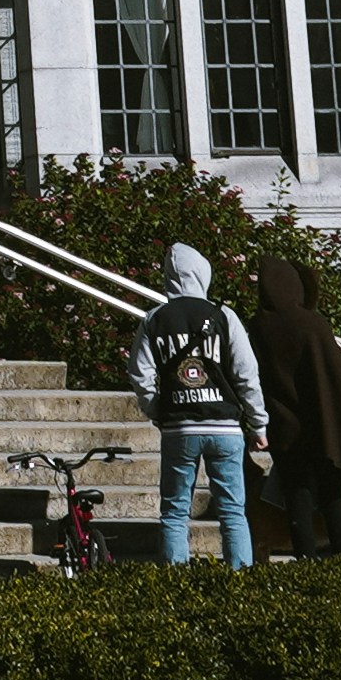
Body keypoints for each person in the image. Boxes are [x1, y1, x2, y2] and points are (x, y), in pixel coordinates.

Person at [127, 238, 265, 568]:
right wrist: (259, 423)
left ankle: (177, 580)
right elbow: (246, 373)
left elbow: (140, 373)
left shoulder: (154, 319)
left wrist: (157, 410)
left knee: (174, 512)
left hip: (179, 428)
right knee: (233, 511)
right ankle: (241, 578)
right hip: (225, 427)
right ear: (203, 274)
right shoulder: (223, 315)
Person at [246, 252, 341, 560]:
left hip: (284, 430)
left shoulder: (258, 327)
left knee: (297, 500)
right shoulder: (312, 323)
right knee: (332, 499)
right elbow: (336, 378)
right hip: (323, 426)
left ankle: (306, 562)